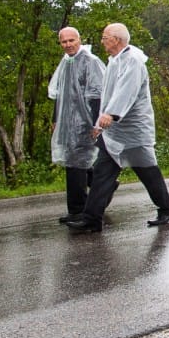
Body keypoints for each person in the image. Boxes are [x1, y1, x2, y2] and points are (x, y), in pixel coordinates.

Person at [65, 23, 169, 232]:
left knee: (148, 172)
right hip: (116, 132)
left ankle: (167, 209)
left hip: (133, 130)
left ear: (116, 40)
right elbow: (108, 94)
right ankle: (91, 219)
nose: (102, 41)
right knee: (102, 173)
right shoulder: (115, 61)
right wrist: (100, 123)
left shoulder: (133, 61)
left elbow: (127, 91)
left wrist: (112, 114)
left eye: (105, 37)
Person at [48, 26, 106, 223]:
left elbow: (98, 94)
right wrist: (56, 119)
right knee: (75, 162)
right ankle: (102, 184)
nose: (68, 45)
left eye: (71, 40)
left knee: (75, 163)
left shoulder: (90, 61)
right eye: (64, 42)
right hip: (68, 122)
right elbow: (60, 93)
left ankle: (78, 209)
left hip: (85, 121)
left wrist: (96, 123)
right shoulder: (66, 62)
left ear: (79, 40)